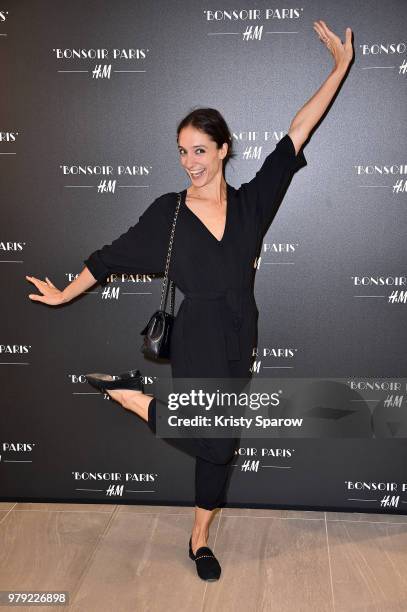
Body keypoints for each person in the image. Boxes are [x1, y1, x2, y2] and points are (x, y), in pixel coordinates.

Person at [26, 20, 353, 581]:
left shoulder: (253, 205)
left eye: (200, 150)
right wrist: (63, 295)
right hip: (198, 333)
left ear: (224, 149)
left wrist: (339, 67)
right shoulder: (168, 213)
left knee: (214, 447)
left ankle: (197, 534)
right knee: (220, 442)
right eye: (182, 152)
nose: (190, 161)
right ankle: (137, 408)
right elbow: (109, 258)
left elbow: (298, 132)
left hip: (241, 334)